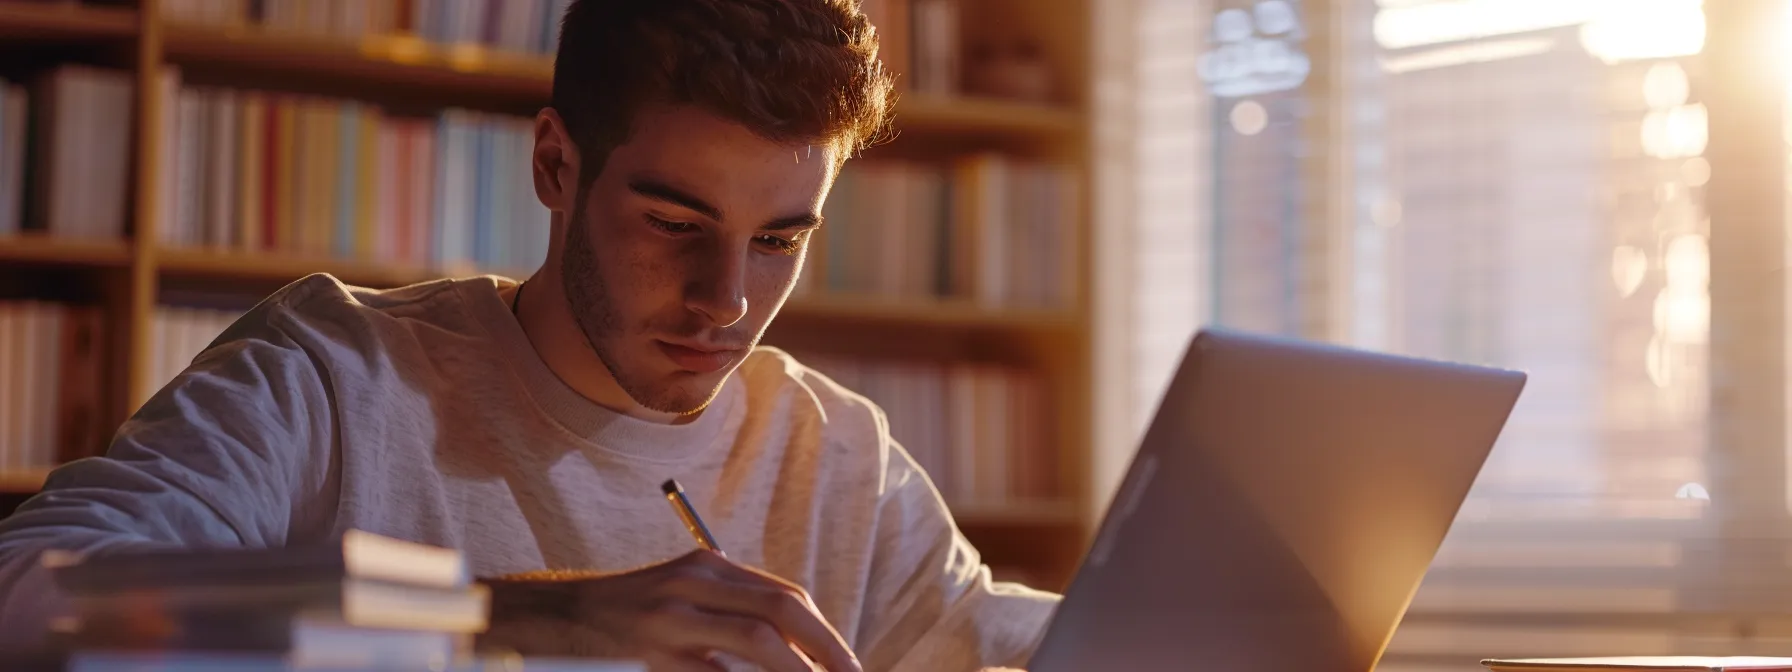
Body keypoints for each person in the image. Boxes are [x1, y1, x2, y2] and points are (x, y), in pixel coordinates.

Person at [0, 1, 1062, 670]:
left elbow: (1011, 640)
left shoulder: (837, 453)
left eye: (779, 238)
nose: (726, 299)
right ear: (556, 166)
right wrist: (517, 619)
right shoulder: (333, 374)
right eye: (675, 226)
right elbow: (32, 596)